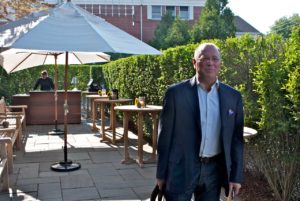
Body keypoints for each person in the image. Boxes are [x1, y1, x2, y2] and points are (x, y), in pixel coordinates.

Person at [156, 43, 244, 201]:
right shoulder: (175, 94)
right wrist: (161, 174)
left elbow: (237, 140)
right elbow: (164, 137)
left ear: (220, 64)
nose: (210, 62)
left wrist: (235, 176)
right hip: (180, 170)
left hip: (214, 172)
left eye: (215, 59)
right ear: (194, 62)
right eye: (204, 59)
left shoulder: (233, 96)